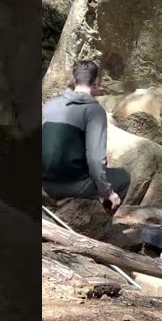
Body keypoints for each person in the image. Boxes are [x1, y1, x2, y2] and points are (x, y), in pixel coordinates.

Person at [42, 59, 130, 209]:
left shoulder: (50, 106)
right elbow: (95, 159)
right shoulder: (94, 111)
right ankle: (100, 223)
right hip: (73, 184)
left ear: (74, 79)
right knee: (123, 177)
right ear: (96, 81)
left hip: (44, 183)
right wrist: (107, 192)